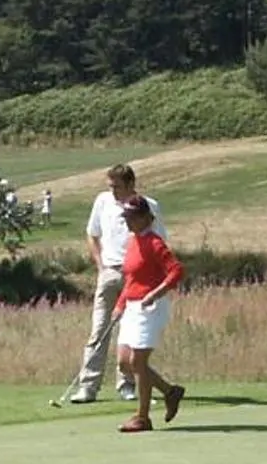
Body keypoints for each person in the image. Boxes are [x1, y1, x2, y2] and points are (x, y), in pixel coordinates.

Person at [60, 164, 163, 404]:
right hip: (109, 272)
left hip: (137, 278)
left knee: (130, 334)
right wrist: (101, 266)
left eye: (117, 187)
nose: (113, 191)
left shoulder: (148, 206)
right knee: (98, 331)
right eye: (110, 186)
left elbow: (158, 242)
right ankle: (88, 387)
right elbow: (92, 234)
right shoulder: (103, 201)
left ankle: (127, 385)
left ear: (130, 184)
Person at [113, 198, 185, 432]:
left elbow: (176, 271)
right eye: (126, 218)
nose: (128, 222)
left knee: (138, 361)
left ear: (146, 218)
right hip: (132, 306)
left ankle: (142, 418)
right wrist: (120, 304)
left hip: (151, 307)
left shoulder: (155, 243)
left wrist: (155, 294)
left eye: (132, 218)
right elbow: (131, 279)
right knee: (124, 363)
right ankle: (169, 392)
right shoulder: (132, 242)